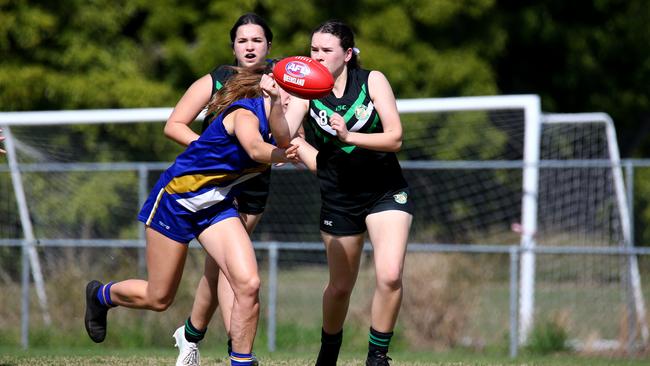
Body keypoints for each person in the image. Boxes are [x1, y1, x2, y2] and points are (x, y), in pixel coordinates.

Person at [84, 67, 297, 366]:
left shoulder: (286, 125)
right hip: (175, 200)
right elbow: (254, 147)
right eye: (287, 91)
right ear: (267, 89)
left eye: (299, 95)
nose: (294, 100)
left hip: (215, 206)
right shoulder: (244, 114)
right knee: (159, 298)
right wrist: (282, 155)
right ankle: (101, 296)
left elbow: (308, 152)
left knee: (248, 283)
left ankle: (242, 361)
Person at [283, 20, 413, 366]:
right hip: (339, 196)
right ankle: (329, 351)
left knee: (389, 274)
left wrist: (349, 137)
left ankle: (377, 356)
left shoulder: (372, 81)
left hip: (385, 190)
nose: (318, 56)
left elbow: (395, 137)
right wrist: (272, 104)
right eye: (314, 49)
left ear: (347, 53)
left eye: (327, 50)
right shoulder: (304, 91)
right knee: (340, 287)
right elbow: (285, 137)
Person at [163, 13, 275, 366]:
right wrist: (208, 153)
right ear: (233, 47)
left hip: (253, 187)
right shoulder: (218, 80)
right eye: (243, 41)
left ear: (268, 45)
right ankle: (236, 351)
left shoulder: (279, 79)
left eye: (257, 40)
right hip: (212, 188)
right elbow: (174, 124)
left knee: (220, 268)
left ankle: (192, 336)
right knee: (230, 271)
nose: (250, 46)